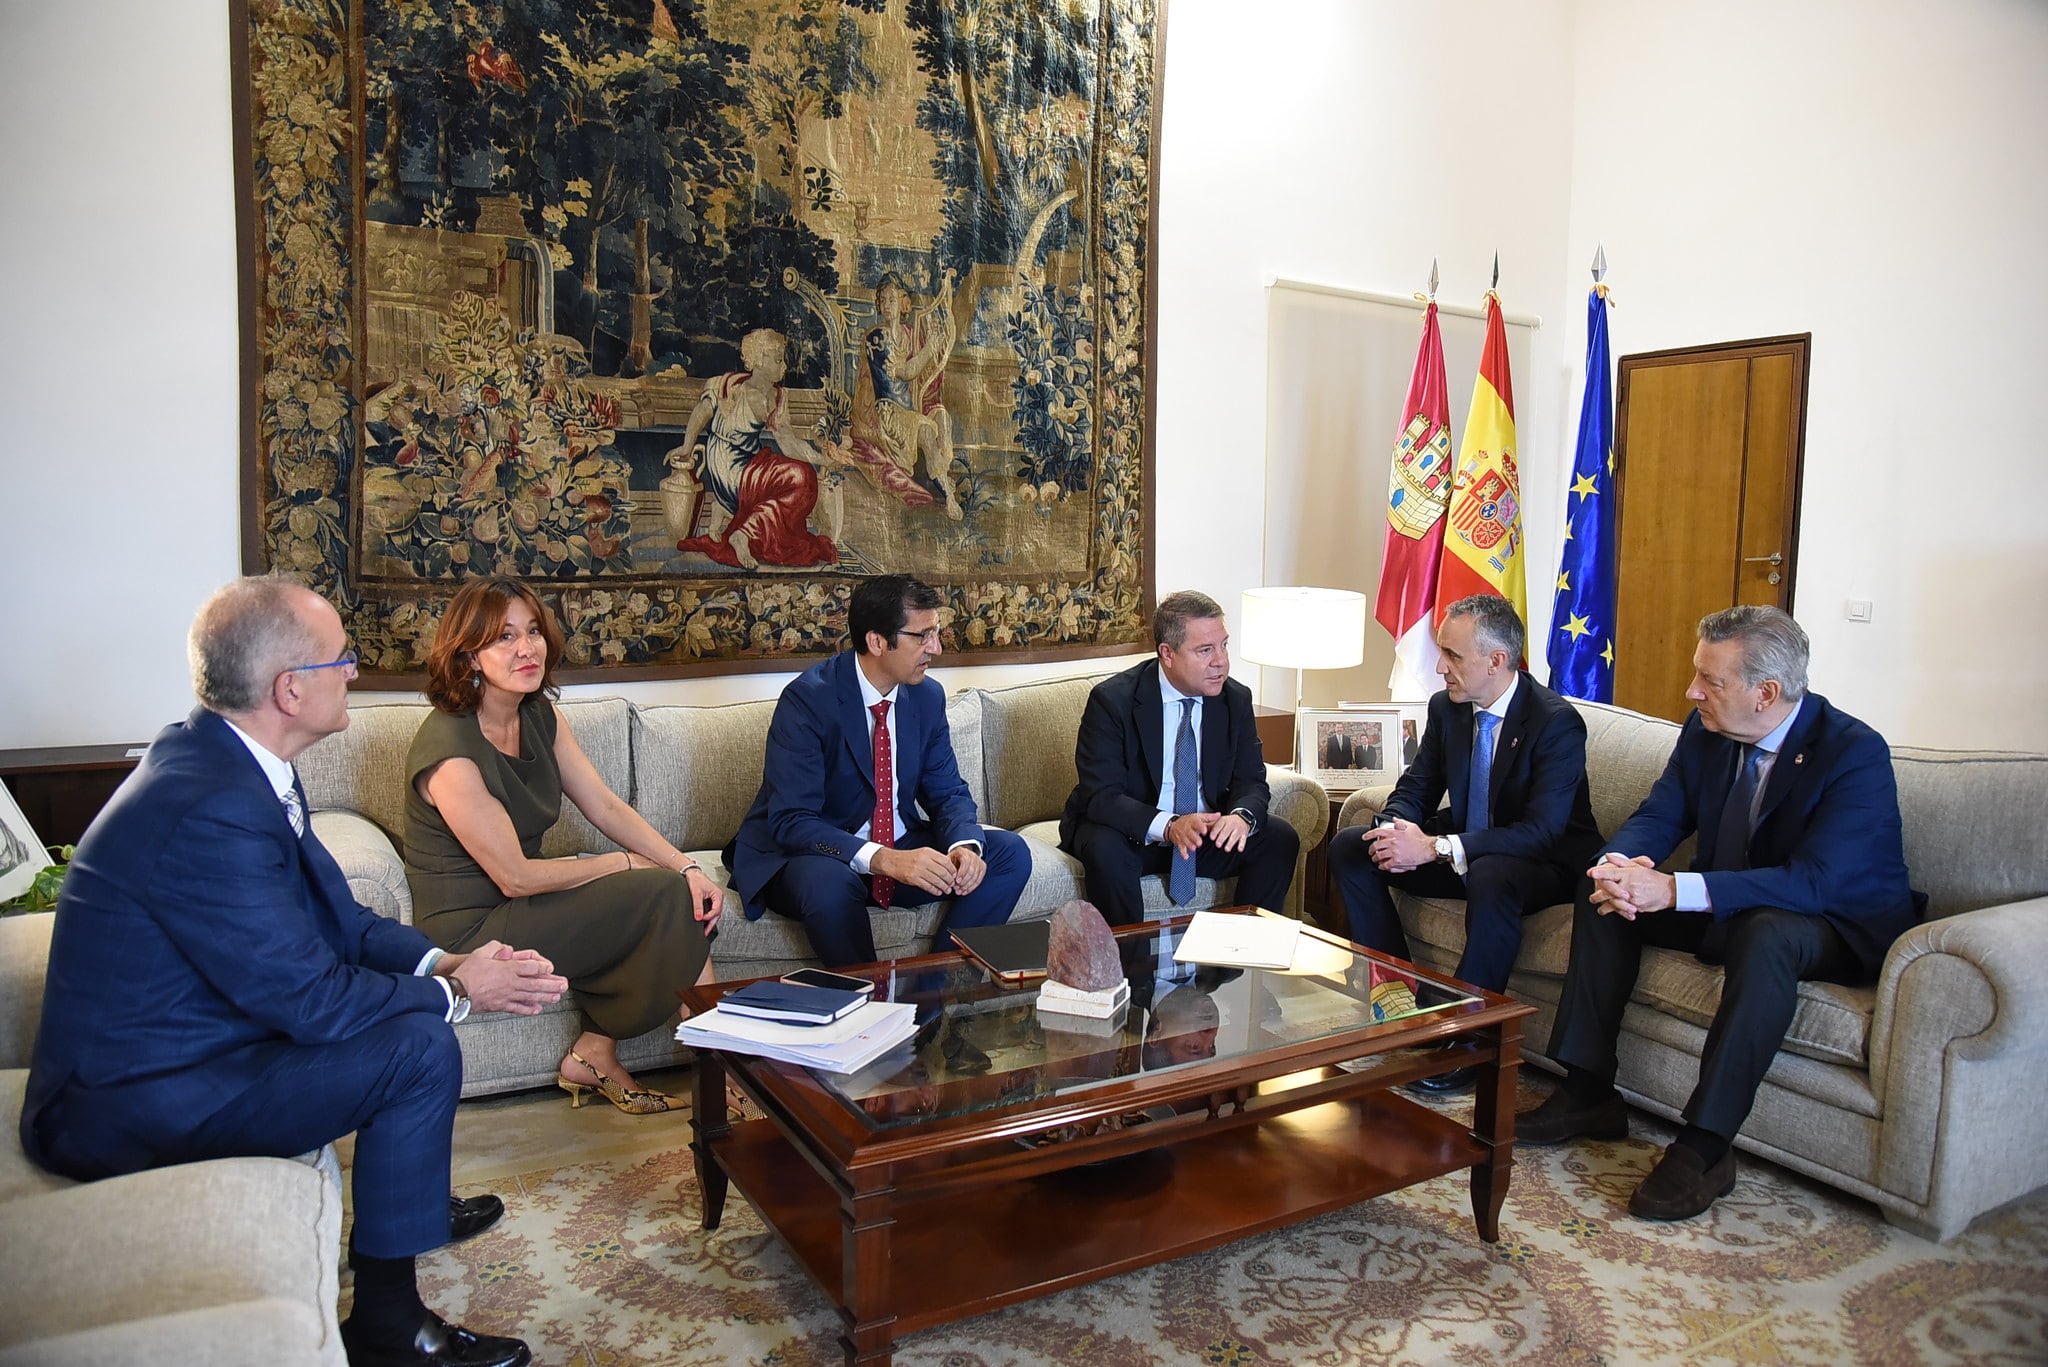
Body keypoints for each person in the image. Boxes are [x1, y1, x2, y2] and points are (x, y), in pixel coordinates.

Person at [21, 576, 566, 1367]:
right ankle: (388, 1327)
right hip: (129, 1098)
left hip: (194, 1045)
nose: (353, 670)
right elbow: (312, 1001)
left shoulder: (232, 760)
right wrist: (459, 990)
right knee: (419, 1045)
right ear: (289, 689)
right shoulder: (211, 805)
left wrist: (445, 959)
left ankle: (404, 1202)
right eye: (341, 658)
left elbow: (338, 921)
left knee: (414, 1021)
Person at [1518, 606, 1917, 1222]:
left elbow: (1813, 883)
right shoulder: (1706, 731)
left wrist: (1674, 890)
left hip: (1833, 920)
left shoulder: (1852, 752)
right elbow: (1662, 812)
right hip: (1730, 900)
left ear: (1766, 693)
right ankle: (1588, 1089)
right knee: (1601, 899)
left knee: (1768, 935)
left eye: (1710, 680)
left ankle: (1706, 1147)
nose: (1691, 691)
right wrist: (1617, 865)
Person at [404, 576, 722, 1115]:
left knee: (683, 890)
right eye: (503, 637)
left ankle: (599, 1055)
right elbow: (515, 877)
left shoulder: (538, 714)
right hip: (472, 928)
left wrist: (686, 864)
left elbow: (605, 806)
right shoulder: (449, 750)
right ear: (469, 656)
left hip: (520, 902)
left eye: (532, 631)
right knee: (666, 897)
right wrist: (622, 864)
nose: (526, 648)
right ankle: (723, 1077)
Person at [1326, 594, 1601, 1094]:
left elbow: (1542, 831)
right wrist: (1395, 831)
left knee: (1493, 872)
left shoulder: (1554, 723)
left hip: (1541, 862)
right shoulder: (1447, 708)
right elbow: (1417, 785)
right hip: (1468, 845)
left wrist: (1433, 848)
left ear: (1496, 661)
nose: (1439, 667)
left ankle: (1469, 1042)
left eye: (1452, 655)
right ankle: (1400, 998)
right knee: (1353, 845)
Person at [727, 575, 1030, 966]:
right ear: (876, 642)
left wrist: (964, 847)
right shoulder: (807, 701)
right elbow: (792, 821)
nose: (935, 648)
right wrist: (884, 859)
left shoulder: (926, 695)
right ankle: (873, 1015)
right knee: (829, 885)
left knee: (1008, 853)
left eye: (936, 632)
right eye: (922, 636)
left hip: (895, 845)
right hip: (816, 855)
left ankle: (931, 995)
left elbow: (947, 791)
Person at [1059, 590, 1300, 927]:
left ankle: (1238, 960)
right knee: (1104, 848)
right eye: (1205, 650)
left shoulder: (1235, 699)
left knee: (1278, 838)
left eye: (1224, 645)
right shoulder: (1113, 701)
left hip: (1203, 833)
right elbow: (1101, 797)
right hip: (1135, 834)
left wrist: (1241, 817)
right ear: (1167, 654)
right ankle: (1130, 972)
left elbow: (1251, 780)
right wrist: (1170, 826)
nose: (1221, 661)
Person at [668, 327, 841, 569]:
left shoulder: (777, 396)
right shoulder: (725, 384)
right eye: (778, 358)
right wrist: (687, 446)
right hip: (726, 464)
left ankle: (742, 528)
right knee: (799, 478)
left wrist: (822, 460)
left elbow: (789, 442)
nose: (784, 365)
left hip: (751, 460)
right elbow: (701, 413)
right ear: (759, 358)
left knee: (804, 476)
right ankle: (744, 533)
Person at [850, 270, 964, 519]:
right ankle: (949, 497)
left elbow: (928, 368)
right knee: (924, 430)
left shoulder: (912, 333)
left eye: (893, 298)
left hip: (914, 406)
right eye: (883, 299)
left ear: (904, 303)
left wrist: (941, 334)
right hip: (889, 413)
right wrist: (928, 349)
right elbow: (908, 371)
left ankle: (942, 472)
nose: (887, 304)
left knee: (943, 419)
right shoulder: (876, 338)